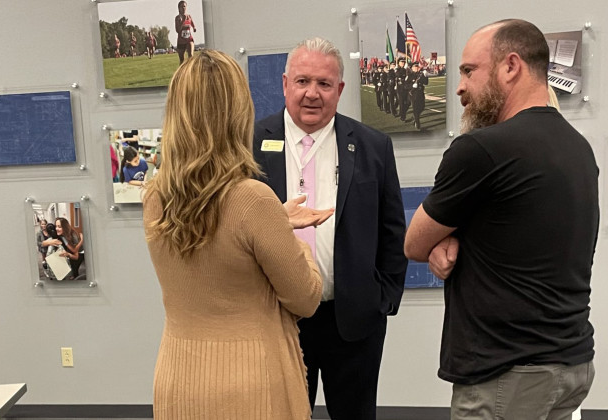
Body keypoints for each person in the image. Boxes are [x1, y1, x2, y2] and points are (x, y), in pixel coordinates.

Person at [404, 19, 599, 420]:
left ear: (511, 66)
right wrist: (457, 237)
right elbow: (517, 231)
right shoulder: (579, 148)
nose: (459, 87)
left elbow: (414, 244)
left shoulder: (480, 149)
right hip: (572, 364)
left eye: (469, 71)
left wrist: (445, 238)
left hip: (507, 373)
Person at [144, 50, 334, 419]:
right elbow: (306, 298)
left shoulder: (155, 197)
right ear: (237, 112)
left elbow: (213, 241)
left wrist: (274, 222)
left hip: (179, 379)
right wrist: (289, 236)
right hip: (247, 383)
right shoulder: (252, 199)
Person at [252, 37, 407, 420]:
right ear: (285, 83)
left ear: (339, 90)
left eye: (324, 84)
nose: (312, 94)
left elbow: (392, 230)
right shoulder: (250, 143)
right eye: (303, 81)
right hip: (278, 318)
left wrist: (382, 299)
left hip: (352, 321)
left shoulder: (373, 146)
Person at [407, 62, 429, 130]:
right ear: (412, 68)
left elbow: (426, 83)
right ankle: (417, 123)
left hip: (420, 93)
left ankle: (415, 117)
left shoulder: (421, 75)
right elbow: (406, 85)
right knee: (415, 109)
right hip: (413, 94)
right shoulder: (409, 75)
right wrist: (411, 86)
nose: (416, 68)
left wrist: (425, 76)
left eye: (417, 67)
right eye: (414, 67)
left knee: (422, 107)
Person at [174, 0, 196, 65]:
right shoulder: (177, 18)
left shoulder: (189, 16)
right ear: (179, 8)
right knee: (182, 60)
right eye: (182, 7)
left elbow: (192, 23)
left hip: (189, 39)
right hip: (181, 41)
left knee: (191, 56)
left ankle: (191, 72)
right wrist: (182, 21)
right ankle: (182, 73)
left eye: (184, 6)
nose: (183, 8)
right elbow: (177, 30)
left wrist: (194, 28)